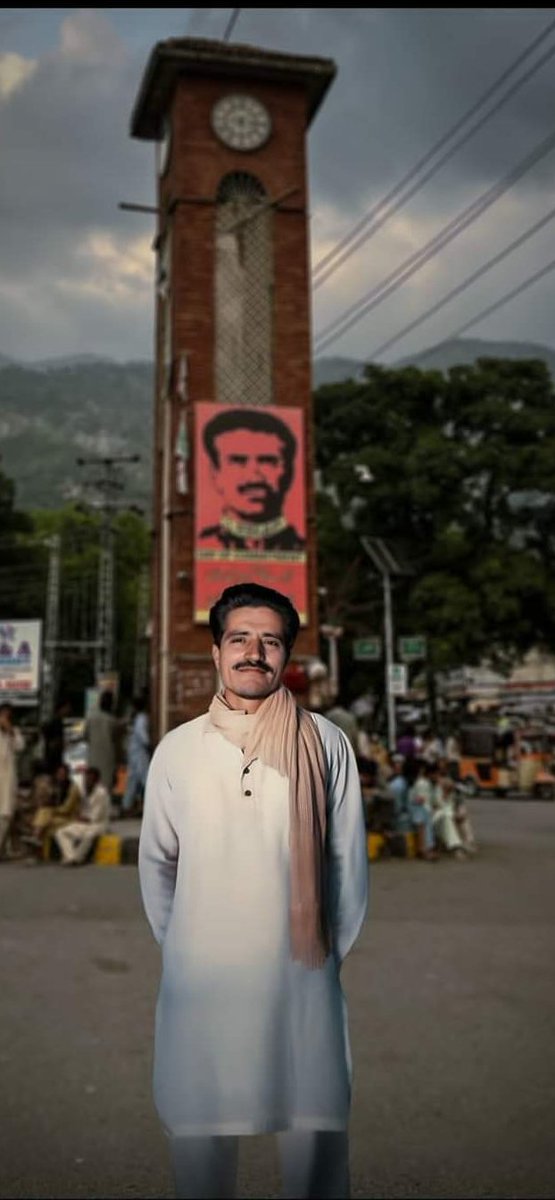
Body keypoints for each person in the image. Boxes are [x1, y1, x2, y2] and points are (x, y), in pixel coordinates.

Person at [139, 581, 368, 1200]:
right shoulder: (178, 750)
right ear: (216, 651)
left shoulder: (325, 742)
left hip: (299, 976)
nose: (253, 653)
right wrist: (190, 943)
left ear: (287, 656)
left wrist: (317, 955)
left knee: (313, 1132)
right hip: (202, 979)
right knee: (201, 1134)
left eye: (270, 641)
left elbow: (346, 866)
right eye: (239, 638)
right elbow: (158, 866)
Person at [199, 408, 306, 551]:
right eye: (238, 461)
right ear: (215, 474)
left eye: (268, 461)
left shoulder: (302, 548)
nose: (254, 476)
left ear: (289, 473)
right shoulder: (204, 545)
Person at [22, 761, 81, 862]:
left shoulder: (72, 788)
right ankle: (36, 842)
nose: (60, 776)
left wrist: (52, 810)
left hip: (69, 818)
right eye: (59, 774)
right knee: (42, 817)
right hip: (57, 816)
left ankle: (35, 846)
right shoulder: (57, 787)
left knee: (43, 819)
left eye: (63, 774)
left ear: (67, 774)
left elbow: (66, 809)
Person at [53, 766, 110, 866]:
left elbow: (94, 817)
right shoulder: (83, 791)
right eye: (86, 778)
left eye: (90, 779)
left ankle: (78, 858)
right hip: (83, 823)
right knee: (61, 832)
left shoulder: (101, 793)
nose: (87, 781)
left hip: (98, 824)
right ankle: (70, 857)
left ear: (96, 781)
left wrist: (79, 818)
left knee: (88, 835)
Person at [0, 703, 25, 861]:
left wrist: (10, 731)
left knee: (7, 814)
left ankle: (4, 849)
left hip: (8, 778)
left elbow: (20, 747)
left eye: (8, 716)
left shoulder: (14, 732)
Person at [121, 696, 151, 817]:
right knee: (146, 779)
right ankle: (152, 806)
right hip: (140, 752)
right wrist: (149, 744)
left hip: (133, 751)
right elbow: (142, 734)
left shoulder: (134, 718)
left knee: (132, 780)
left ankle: (126, 805)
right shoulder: (141, 718)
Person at [84, 690, 118, 795]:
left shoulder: (90, 718)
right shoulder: (113, 721)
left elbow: (86, 736)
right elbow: (116, 741)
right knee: (106, 786)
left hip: (93, 756)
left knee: (92, 785)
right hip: (108, 757)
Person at [41, 698, 71, 775]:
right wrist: (61, 743)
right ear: (62, 708)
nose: (68, 710)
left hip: (52, 756)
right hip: (54, 757)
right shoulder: (56, 721)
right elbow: (55, 739)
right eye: (67, 707)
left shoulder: (55, 720)